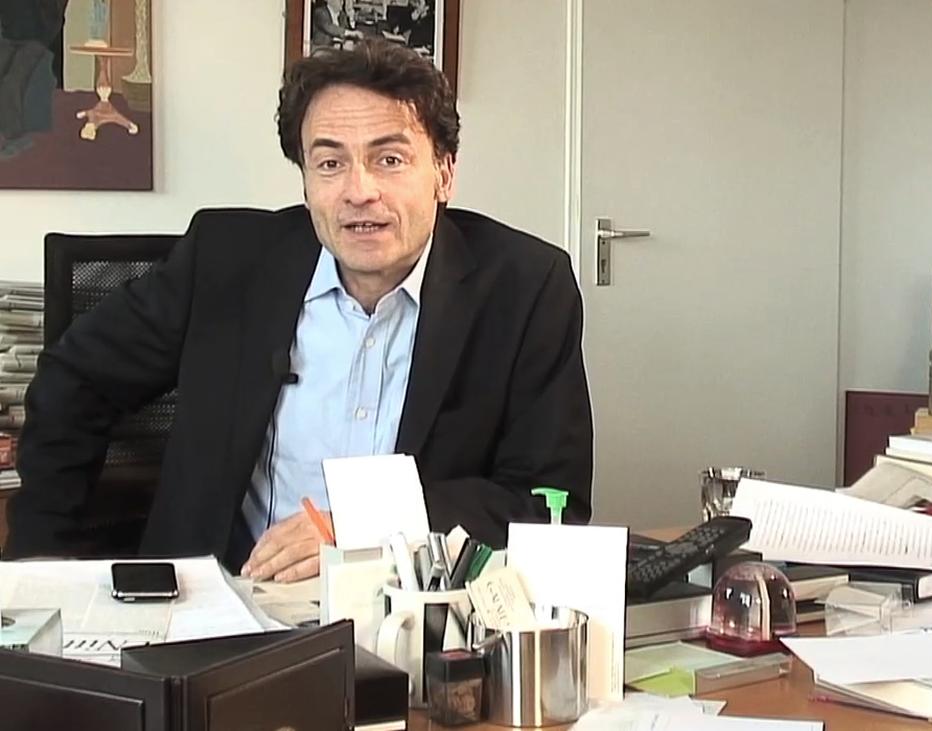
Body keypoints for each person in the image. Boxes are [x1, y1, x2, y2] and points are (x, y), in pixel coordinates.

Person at [6, 40, 594, 582]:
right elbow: (76, 378)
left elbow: (549, 501)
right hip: (223, 604)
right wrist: (39, 564)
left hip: (412, 614)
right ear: (306, 181)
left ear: (444, 173)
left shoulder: (524, 289)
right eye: (330, 163)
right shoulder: (225, 261)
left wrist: (369, 524)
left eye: (390, 159)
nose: (359, 191)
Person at [0, 0, 66, 160]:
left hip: (36, 38)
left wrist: (49, 31)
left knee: (13, 83)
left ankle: (16, 138)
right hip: (10, 35)